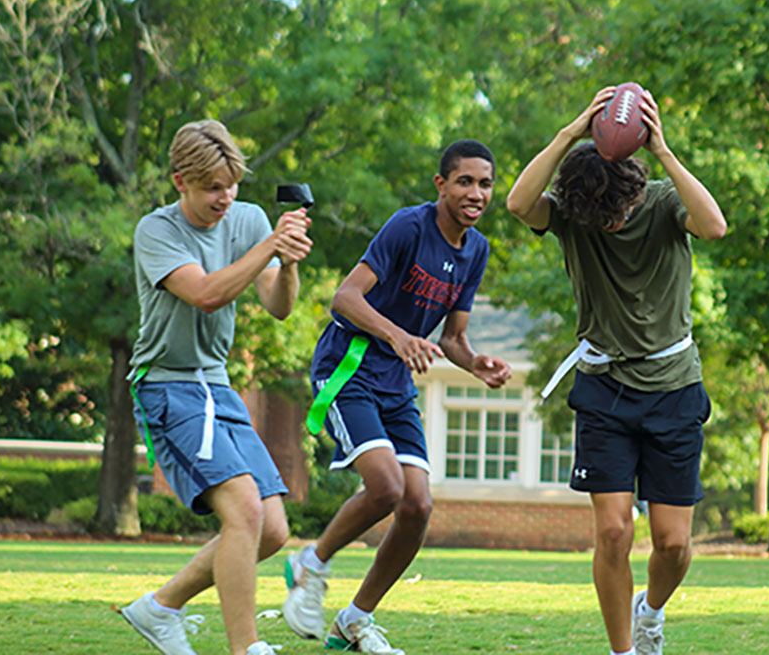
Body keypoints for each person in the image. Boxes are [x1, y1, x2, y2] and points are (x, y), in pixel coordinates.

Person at [507, 86, 727, 655]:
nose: (613, 223)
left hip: (674, 387)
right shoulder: (571, 217)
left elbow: (715, 226)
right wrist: (569, 132)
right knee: (613, 531)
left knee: (674, 544)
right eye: (602, 216)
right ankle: (623, 650)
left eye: (621, 211)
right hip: (604, 389)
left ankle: (650, 612)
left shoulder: (660, 199)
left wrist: (665, 153)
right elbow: (516, 203)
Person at [282, 139, 512, 655]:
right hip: (350, 367)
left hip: (396, 382)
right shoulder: (409, 226)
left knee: (417, 506)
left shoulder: (476, 249)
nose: (476, 193)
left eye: (486, 183)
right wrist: (398, 335)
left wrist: (476, 364)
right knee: (385, 488)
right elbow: (345, 296)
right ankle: (310, 563)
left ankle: (354, 620)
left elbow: (452, 338)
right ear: (441, 185)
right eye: (465, 182)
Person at [119, 120, 313, 655]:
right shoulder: (156, 232)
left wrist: (288, 264)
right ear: (180, 181)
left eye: (230, 185)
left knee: (271, 529)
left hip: (218, 388)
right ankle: (246, 648)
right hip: (166, 387)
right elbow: (205, 294)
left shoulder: (247, 219)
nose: (224, 198)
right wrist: (269, 243)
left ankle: (160, 608)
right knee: (244, 512)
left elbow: (277, 305)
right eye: (211, 188)